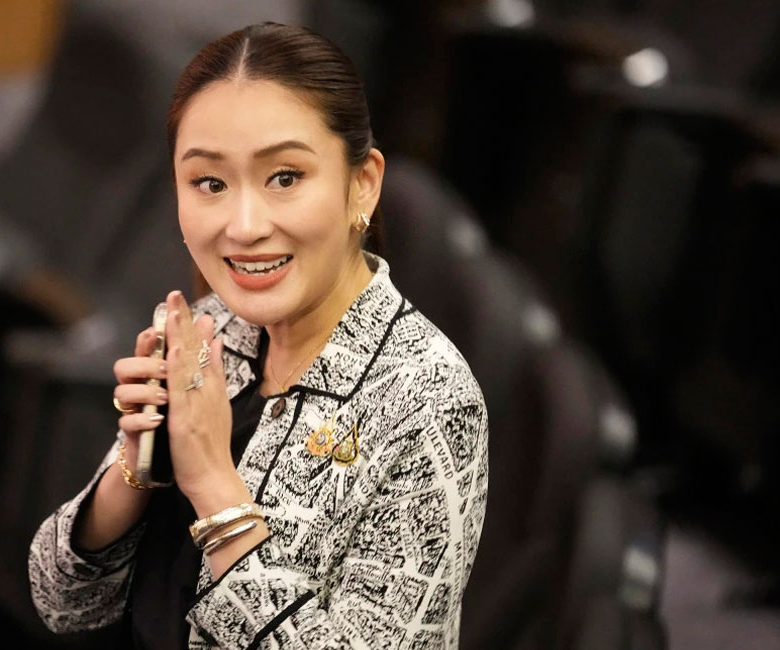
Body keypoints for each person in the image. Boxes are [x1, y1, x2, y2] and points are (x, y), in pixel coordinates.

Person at [28, 22, 488, 650]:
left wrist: (214, 487)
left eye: (285, 177)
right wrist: (136, 469)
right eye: (210, 183)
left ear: (362, 184)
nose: (244, 227)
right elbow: (63, 602)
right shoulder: (212, 328)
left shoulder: (428, 398)